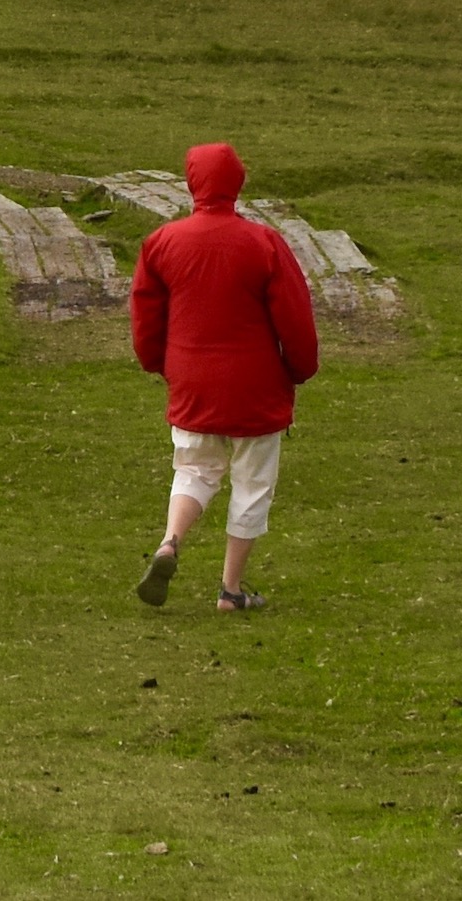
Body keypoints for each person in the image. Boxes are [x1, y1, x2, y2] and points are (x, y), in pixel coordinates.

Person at [129, 141, 320, 612]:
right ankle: (231, 591)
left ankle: (170, 541)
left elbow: (146, 316)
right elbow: (294, 317)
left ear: (192, 183)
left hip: (193, 382)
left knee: (194, 470)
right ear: (237, 184)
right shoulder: (263, 242)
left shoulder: (161, 242)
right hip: (256, 387)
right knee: (252, 484)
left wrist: (161, 364)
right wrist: (299, 369)